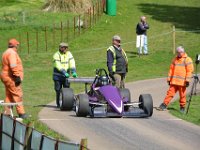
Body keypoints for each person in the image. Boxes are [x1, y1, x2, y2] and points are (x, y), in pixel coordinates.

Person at [157, 46, 194, 113]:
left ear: (183, 52)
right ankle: (164, 104)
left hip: (182, 82)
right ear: (177, 52)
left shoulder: (187, 59)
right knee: (169, 94)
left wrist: (187, 81)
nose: (179, 53)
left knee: (182, 95)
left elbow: (190, 71)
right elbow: (171, 70)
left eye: (181, 52)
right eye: (178, 52)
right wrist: (169, 79)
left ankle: (182, 107)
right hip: (174, 82)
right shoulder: (175, 59)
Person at [0, 38, 28, 119]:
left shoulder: (6, 52)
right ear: (15, 45)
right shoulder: (12, 53)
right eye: (17, 45)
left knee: (9, 95)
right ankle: (21, 113)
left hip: (5, 76)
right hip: (11, 77)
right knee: (17, 94)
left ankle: (7, 113)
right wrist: (17, 76)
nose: (17, 47)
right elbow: (13, 65)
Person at [53, 42, 77, 107]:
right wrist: (64, 72)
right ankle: (58, 104)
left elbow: (72, 62)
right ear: (60, 48)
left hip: (66, 76)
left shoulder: (69, 54)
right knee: (58, 90)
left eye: (66, 47)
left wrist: (73, 71)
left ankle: (66, 104)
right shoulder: (56, 55)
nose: (65, 49)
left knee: (67, 90)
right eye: (63, 47)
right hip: (58, 76)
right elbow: (57, 65)